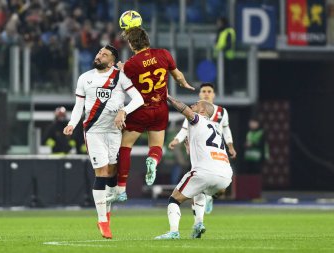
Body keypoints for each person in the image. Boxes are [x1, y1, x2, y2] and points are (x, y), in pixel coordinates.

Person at [63, 44, 144, 239]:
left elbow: (138, 99)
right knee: (102, 171)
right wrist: (72, 123)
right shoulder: (85, 78)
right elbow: (78, 106)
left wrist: (124, 111)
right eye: (99, 52)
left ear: (113, 61)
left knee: (112, 173)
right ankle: (102, 221)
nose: (99, 56)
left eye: (104, 54)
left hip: (114, 131)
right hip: (94, 131)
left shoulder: (120, 77)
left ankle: (106, 212)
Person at [112, 27, 194, 201]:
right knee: (156, 146)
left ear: (132, 44)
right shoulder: (163, 54)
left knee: (125, 146)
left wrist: (121, 66)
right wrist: (185, 84)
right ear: (147, 39)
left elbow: (122, 76)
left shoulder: (131, 64)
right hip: (160, 109)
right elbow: (178, 76)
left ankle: (121, 189)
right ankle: (153, 161)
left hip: (141, 110)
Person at [155, 95, 233, 240]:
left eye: (196, 104)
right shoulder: (215, 128)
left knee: (174, 199)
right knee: (200, 191)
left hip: (205, 172)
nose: (193, 105)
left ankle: (173, 232)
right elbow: (205, 149)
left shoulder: (199, 120)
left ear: (202, 110)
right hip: (225, 176)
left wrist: (167, 96)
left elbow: (185, 110)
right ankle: (199, 223)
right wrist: (190, 149)